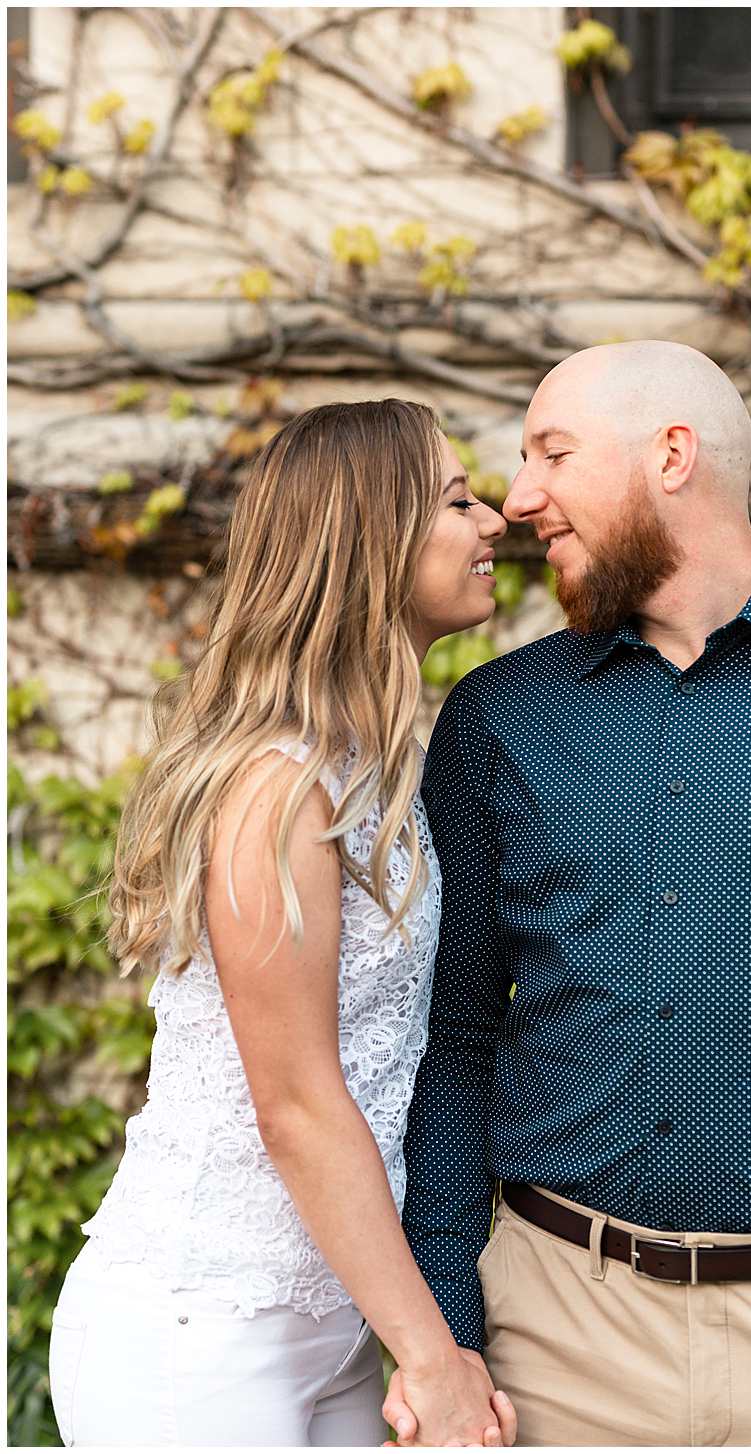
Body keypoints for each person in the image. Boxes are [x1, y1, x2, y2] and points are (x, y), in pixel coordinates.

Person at [389, 341, 751, 1447]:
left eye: (552, 454)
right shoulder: (498, 717)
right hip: (556, 1338)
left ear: (672, 456)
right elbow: (454, 1035)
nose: (519, 499)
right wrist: (451, 1320)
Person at [51, 401, 518, 1445]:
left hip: (334, 1327)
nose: (494, 520)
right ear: (368, 538)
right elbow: (296, 1105)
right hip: (198, 1340)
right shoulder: (280, 782)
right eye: (456, 502)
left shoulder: (375, 765)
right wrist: (432, 1357)